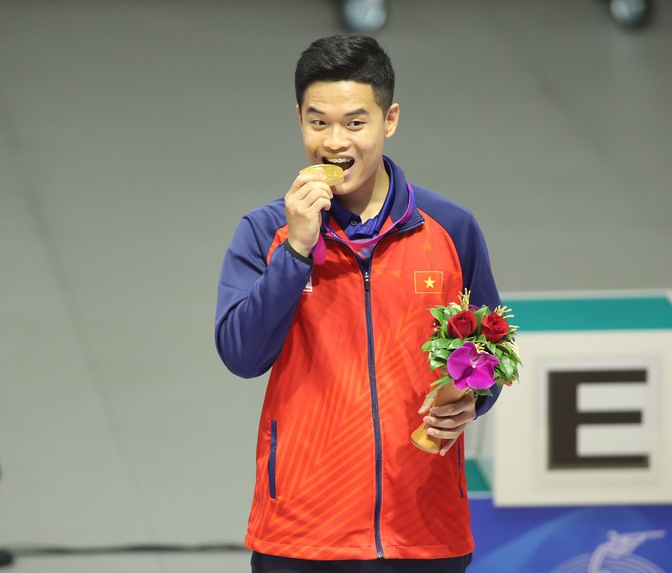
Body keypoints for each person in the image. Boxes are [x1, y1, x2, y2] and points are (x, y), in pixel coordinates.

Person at [215, 34, 502, 573]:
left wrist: (475, 398)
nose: (334, 141)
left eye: (354, 122)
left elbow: (489, 348)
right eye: (318, 122)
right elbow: (241, 355)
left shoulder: (450, 228)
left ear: (389, 120)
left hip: (425, 529)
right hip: (302, 534)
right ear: (299, 119)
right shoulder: (265, 231)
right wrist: (297, 251)